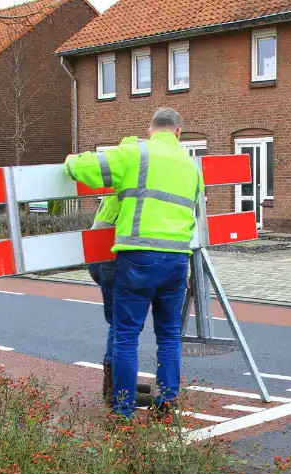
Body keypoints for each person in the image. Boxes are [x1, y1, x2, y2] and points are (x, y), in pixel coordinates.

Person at [64, 107, 202, 418]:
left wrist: (71, 161)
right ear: (178, 133)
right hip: (178, 260)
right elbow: (192, 217)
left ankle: (124, 409)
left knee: (126, 334)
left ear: (150, 129)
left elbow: (85, 167)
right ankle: (166, 402)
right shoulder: (191, 166)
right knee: (168, 335)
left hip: (138, 256)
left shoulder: (136, 154)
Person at [86, 188, 152, 406]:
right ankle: (117, 389)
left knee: (121, 323)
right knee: (123, 324)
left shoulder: (124, 177)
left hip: (102, 253)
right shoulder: (134, 183)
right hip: (111, 255)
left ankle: (119, 383)